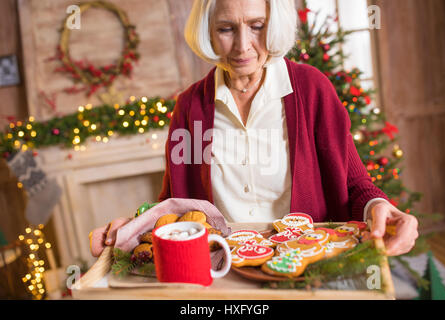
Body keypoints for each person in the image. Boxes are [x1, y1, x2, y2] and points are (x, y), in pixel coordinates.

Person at [90, 0, 418, 258]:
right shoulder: (190, 107)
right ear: (207, 30)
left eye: (257, 26)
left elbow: (354, 182)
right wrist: (131, 229)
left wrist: (379, 207)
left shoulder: (312, 90)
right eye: (226, 28)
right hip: (223, 272)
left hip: (307, 267)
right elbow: (173, 203)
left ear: (274, 24)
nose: (243, 46)